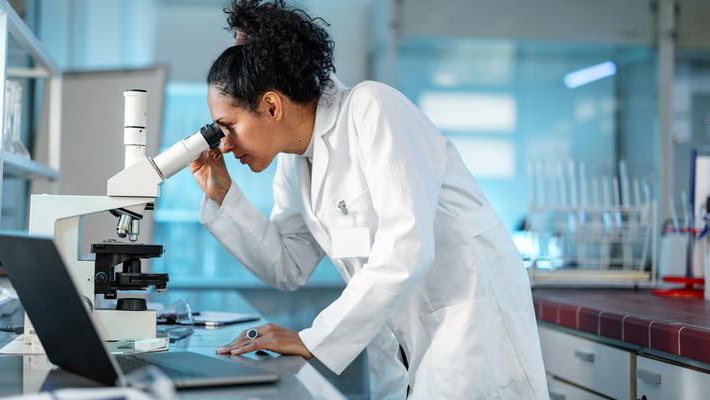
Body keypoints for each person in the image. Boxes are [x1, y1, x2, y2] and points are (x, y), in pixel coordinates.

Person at [190, 1, 548, 398]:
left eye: (229, 126)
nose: (223, 144)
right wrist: (222, 195)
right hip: (401, 341)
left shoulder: (373, 108)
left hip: (467, 327)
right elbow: (287, 266)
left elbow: (406, 248)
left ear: (272, 106)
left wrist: (313, 339)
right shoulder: (295, 160)